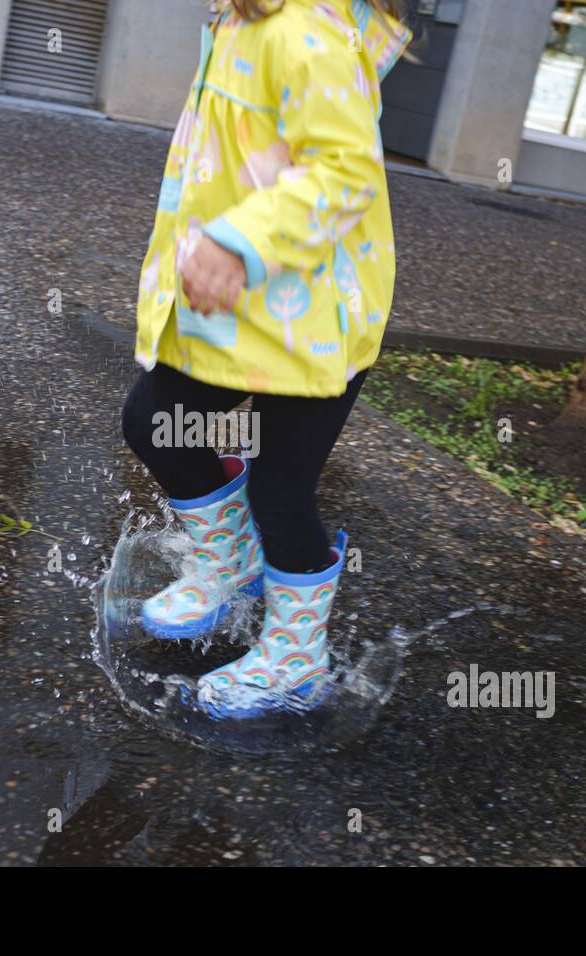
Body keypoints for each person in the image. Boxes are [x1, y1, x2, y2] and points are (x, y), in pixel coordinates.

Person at [121, 0, 412, 719]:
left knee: (281, 493)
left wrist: (236, 242)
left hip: (317, 320)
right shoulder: (238, 22)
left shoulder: (305, 34)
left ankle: (295, 660)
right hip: (236, 305)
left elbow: (346, 173)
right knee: (154, 419)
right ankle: (231, 559)